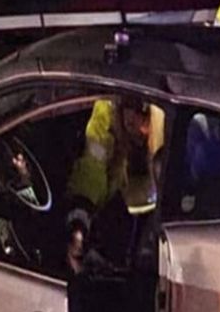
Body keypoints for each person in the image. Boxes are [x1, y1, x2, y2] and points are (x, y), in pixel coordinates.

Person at [65, 96, 164, 274]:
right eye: (127, 106)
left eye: (138, 108)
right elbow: (93, 165)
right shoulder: (107, 109)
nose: (130, 117)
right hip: (123, 207)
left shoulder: (164, 112)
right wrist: (80, 220)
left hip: (166, 217)